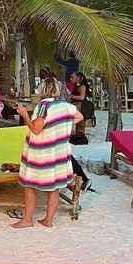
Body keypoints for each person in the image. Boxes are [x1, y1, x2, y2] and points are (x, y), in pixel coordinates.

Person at [14, 77, 84, 228]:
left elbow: (36, 129)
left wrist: (24, 114)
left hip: (42, 153)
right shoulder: (65, 105)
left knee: (29, 185)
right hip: (59, 153)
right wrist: (61, 124)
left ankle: (27, 220)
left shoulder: (44, 106)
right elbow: (80, 116)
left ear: (42, 90)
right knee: (55, 187)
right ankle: (48, 221)